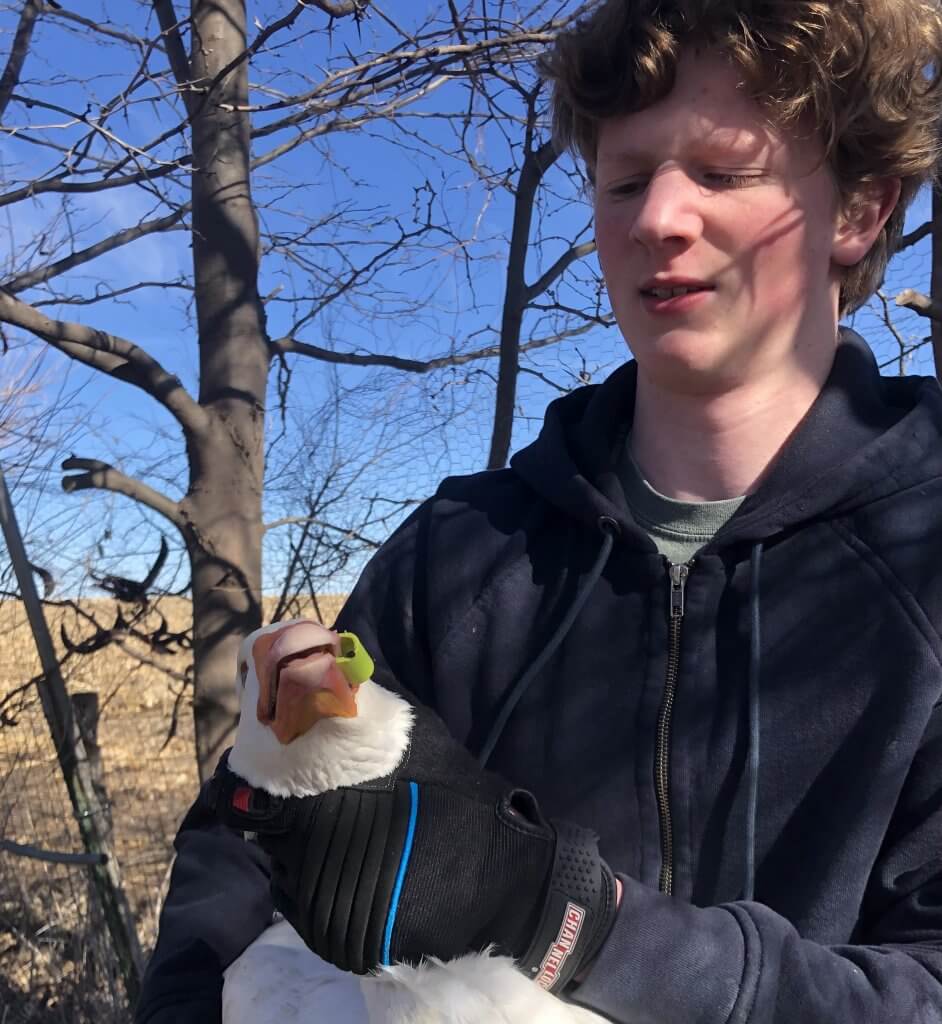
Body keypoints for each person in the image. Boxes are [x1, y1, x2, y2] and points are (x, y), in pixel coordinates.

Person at [135, 1, 942, 1021]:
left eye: (722, 173)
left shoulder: (925, 561)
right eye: (626, 179)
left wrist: (576, 922)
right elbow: (241, 844)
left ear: (864, 207)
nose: (658, 217)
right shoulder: (463, 554)